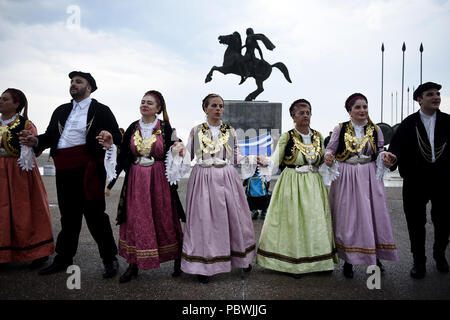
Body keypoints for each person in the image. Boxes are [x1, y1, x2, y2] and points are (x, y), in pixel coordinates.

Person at [19, 71, 121, 278]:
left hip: (89, 168)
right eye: (72, 82)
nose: (73, 84)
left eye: (78, 82)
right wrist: (35, 141)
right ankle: (64, 258)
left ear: (89, 87)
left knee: (95, 216)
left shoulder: (101, 110)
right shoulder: (61, 110)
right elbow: (49, 136)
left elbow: (117, 136)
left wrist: (110, 136)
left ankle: (109, 259)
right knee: (69, 216)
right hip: (64, 168)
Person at [255, 99, 337, 278]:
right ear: (293, 116)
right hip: (293, 182)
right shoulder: (287, 136)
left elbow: (323, 159)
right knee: (294, 221)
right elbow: (276, 159)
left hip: (314, 183)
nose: (305, 115)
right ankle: (293, 263)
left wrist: (328, 161)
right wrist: (266, 161)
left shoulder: (318, 136)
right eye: (301, 113)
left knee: (315, 221)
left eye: (308, 112)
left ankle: (320, 261)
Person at [181, 93, 255, 283]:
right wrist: (177, 152)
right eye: (214, 105)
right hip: (203, 177)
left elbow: (236, 157)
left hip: (226, 177)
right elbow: (187, 155)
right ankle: (203, 265)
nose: (218, 109)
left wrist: (255, 159)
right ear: (205, 108)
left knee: (234, 217)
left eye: (221, 106)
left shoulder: (230, 131)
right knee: (203, 221)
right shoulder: (196, 130)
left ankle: (241, 259)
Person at [324, 93, 398, 278]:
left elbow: (380, 151)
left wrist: (386, 157)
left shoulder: (375, 129)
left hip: (369, 175)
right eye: (358, 107)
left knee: (373, 215)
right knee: (349, 217)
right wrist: (328, 157)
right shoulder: (339, 129)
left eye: (365, 106)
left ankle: (375, 256)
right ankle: (349, 259)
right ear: (350, 111)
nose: (362, 110)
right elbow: (330, 149)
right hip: (347, 175)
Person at [115, 90, 185, 283]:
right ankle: (133, 264)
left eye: (150, 103)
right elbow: (122, 151)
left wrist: (178, 147)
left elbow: (176, 145)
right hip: (136, 179)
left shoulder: (165, 127)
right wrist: (109, 147)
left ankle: (178, 260)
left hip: (158, 178)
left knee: (164, 216)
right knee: (137, 218)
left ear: (159, 108)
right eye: (143, 102)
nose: (145, 105)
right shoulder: (132, 127)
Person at [385, 82, 450, 279]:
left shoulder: (448, 121)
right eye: (430, 94)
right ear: (419, 100)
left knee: (444, 221)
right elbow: (396, 149)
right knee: (415, 222)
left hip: (443, 180)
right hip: (415, 180)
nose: (436, 97)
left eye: (438, 94)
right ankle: (419, 262)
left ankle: (439, 254)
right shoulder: (409, 123)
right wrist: (392, 158)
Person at [0, 88, 55, 268]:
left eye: (5, 99)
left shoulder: (25, 124)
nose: (0, 101)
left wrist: (29, 141)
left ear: (16, 104)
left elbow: (36, 150)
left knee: (26, 210)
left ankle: (38, 252)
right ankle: (4, 253)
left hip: (19, 173)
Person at [105, 128, 125, 197]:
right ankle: (108, 189)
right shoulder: (116, 142)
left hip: (126, 161)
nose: (121, 134)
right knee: (115, 176)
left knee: (130, 176)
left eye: (122, 132)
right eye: (120, 133)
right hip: (119, 162)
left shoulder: (126, 141)